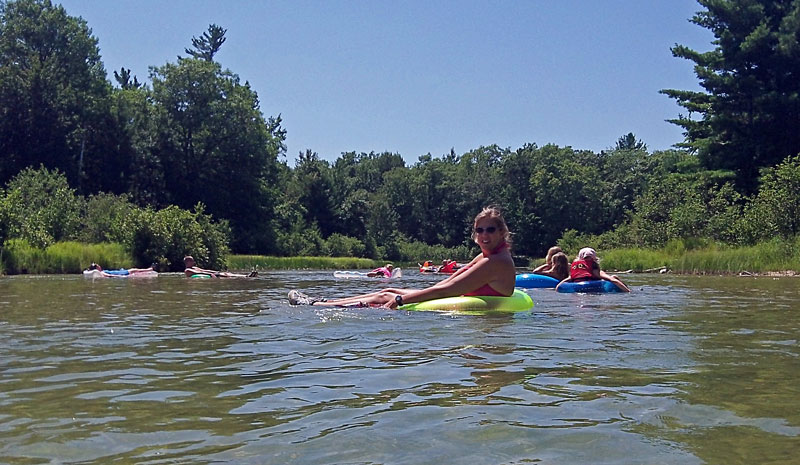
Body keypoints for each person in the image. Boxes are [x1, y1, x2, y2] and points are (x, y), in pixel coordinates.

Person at [289, 206, 516, 307]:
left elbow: (450, 289)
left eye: (490, 230)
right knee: (388, 290)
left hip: (466, 301)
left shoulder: (496, 261)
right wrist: (406, 293)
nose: (484, 235)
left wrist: (401, 300)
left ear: (501, 232)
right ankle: (325, 302)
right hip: (461, 295)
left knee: (385, 297)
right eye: (480, 230)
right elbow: (447, 281)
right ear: (474, 234)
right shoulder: (486, 255)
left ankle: (315, 305)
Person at [556, 247, 631, 292]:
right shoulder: (594, 267)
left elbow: (565, 281)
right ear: (594, 258)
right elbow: (613, 280)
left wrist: (557, 288)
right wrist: (629, 292)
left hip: (577, 289)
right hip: (593, 288)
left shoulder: (575, 267)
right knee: (614, 276)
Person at [183, 255, 258, 278]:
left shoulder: (194, 267)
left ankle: (246, 276)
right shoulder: (187, 270)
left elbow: (204, 270)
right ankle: (246, 276)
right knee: (227, 276)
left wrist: (215, 272)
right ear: (188, 262)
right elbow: (201, 272)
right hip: (209, 276)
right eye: (192, 261)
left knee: (227, 273)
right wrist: (211, 275)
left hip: (212, 274)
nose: (194, 262)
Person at [85, 262, 156, 275]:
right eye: (98, 265)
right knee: (135, 269)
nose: (99, 266)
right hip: (122, 274)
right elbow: (110, 276)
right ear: (97, 268)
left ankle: (149, 269)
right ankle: (150, 269)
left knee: (135, 269)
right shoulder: (102, 273)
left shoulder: (102, 271)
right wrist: (119, 276)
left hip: (121, 272)